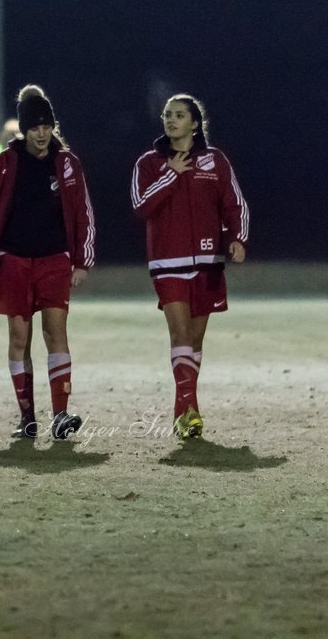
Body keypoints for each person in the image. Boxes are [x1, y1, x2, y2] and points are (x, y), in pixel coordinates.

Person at [0, 85, 96, 440]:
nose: (41, 133)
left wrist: (82, 260)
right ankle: (27, 417)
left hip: (54, 260)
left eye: (46, 126)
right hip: (15, 262)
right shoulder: (5, 163)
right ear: (24, 128)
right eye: (35, 127)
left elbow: (83, 213)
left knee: (56, 333)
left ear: (53, 126)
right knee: (19, 337)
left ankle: (61, 415)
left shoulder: (67, 163)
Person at [131, 94, 249, 440]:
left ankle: (181, 412)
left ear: (194, 124)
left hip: (209, 263)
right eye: (167, 115)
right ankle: (191, 408)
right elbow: (141, 206)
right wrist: (170, 174)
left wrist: (237, 238)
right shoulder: (150, 163)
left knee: (195, 342)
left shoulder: (215, 161)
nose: (171, 120)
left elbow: (234, 203)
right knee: (180, 335)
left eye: (179, 115)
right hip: (168, 263)